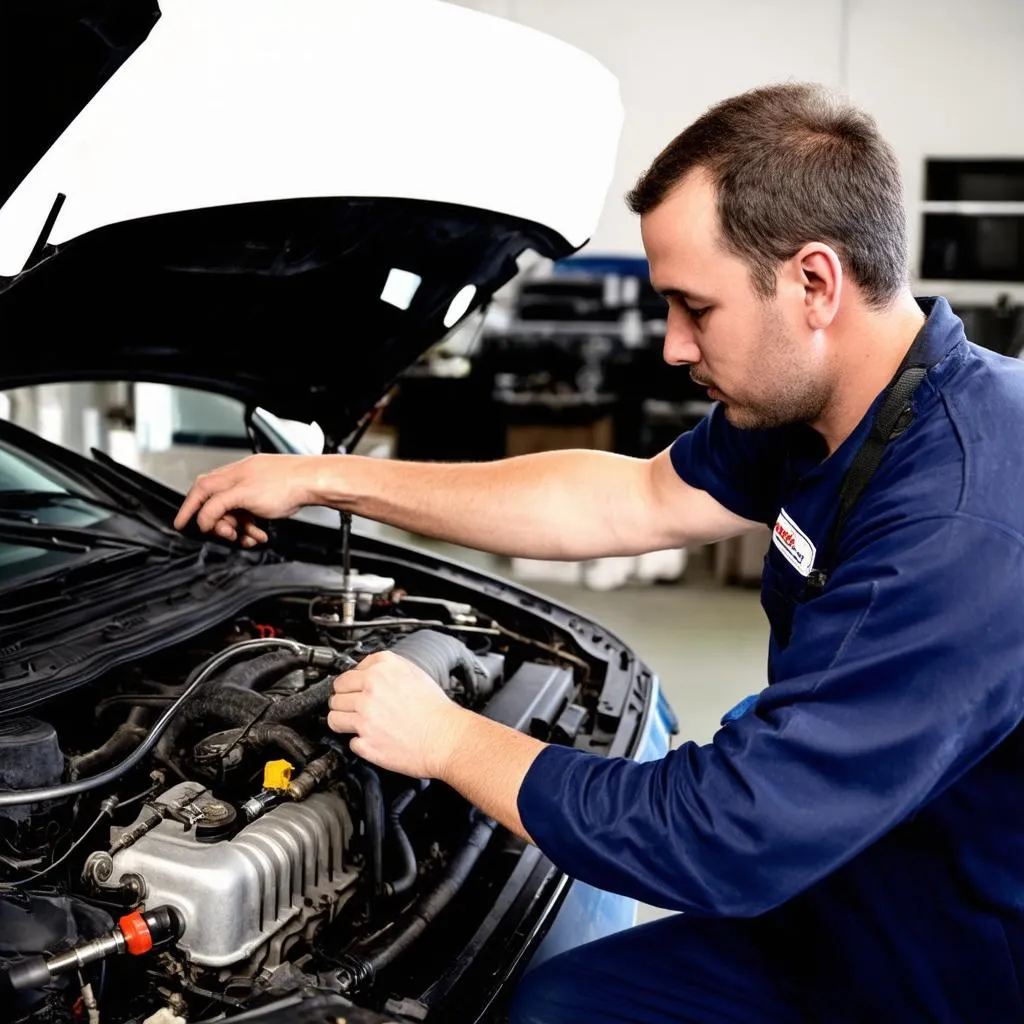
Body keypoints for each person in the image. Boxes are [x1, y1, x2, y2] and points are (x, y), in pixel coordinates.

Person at [174, 83, 1024, 1022]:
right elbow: (630, 495)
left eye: (694, 307)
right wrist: (331, 479)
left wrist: (450, 739)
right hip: (844, 880)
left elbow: (729, 834)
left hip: (952, 956)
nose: (671, 345)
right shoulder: (833, 405)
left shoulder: (964, 516)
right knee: (562, 1007)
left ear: (815, 284)